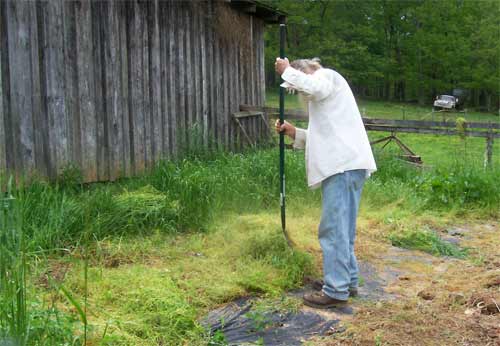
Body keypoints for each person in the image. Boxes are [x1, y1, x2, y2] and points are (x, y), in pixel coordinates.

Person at [274, 57, 377, 309]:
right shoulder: (330, 94)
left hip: (342, 167)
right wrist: (294, 133)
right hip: (348, 164)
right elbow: (325, 138)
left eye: (297, 87)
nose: (299, 92)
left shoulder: (325, 77)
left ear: (305, 72)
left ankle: (336, 290)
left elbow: (314, 86)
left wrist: (286, 70)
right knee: (343, 229)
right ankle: (347, 281)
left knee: (332, 230)